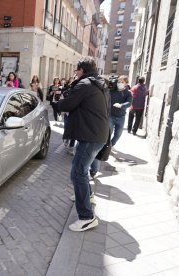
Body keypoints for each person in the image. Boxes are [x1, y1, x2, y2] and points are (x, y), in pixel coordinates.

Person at [57, 56, 110, 232]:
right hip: (96, 134)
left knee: (78, 173)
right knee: (80, 169)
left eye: (77, 70)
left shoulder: (85, 84)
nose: (75, 73)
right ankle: (89, 195)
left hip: (91, 137)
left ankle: (87, 217)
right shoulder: (98, 83)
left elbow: (66, 104)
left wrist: (55, 101)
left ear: (82, 70)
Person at [109, 75, 133, 147]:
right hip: (111, 116)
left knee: (118, 135)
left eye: (122, 82)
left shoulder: (128, 93)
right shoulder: (112, 91)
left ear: (126, 83)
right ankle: (105, 148)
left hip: (121, 117)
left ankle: (110, 145)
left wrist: (121, 105)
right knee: (108, 133)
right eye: (119, 82)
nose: (119, 83)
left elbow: (129, 103)